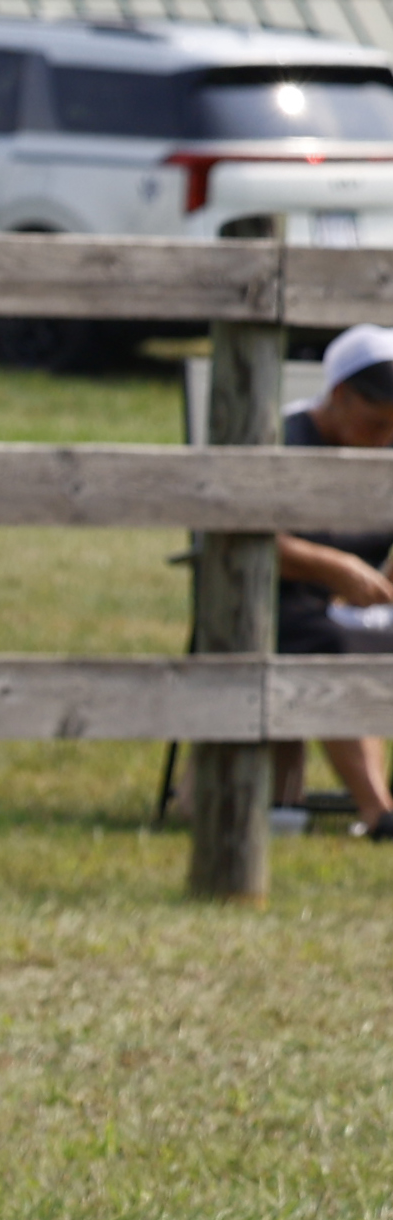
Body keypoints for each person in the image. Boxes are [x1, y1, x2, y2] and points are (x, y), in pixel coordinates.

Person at [270, 320, 393, 838]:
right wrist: (336, 568)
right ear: (340, 394)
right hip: (279, 608)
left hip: (360, 611)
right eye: (377, 422)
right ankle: (378, 812)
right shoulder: (282, 439)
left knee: (356, 635)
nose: (387, 437)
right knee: (335, 642)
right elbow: (246, 539)